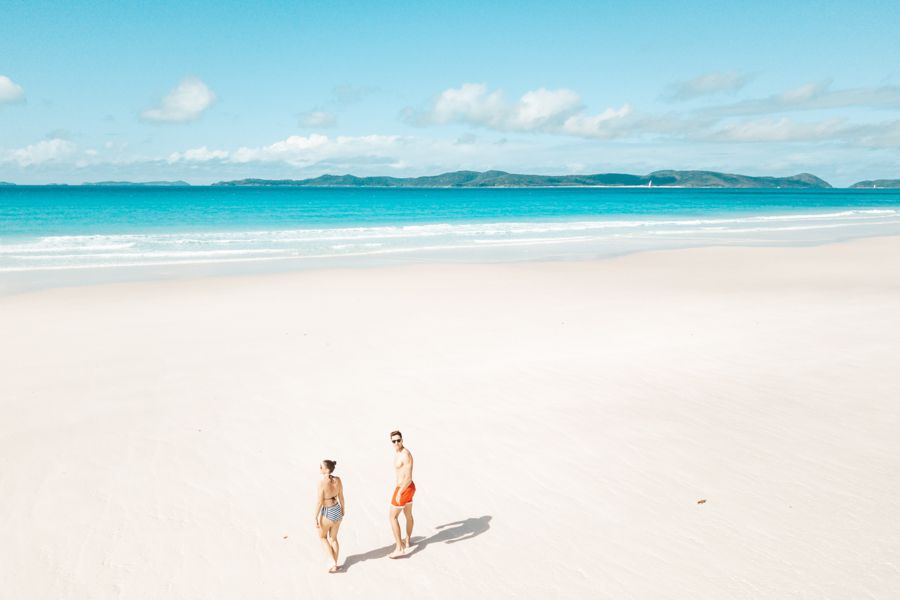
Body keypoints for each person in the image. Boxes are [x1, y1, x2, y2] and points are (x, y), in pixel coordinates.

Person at [388, 430, 415, 558]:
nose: (397, 443)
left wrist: (399, 492)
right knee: (408, 514)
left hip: (404, 488)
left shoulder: (405, 455)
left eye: (399, 440)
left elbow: (408, 477)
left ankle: (399, 547)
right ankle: (408, 540)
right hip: (408, 488)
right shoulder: (398, 453)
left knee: (392, 517)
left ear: (402, 440)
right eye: (394, 441)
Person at [314, 459, 344, 573]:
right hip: (337, 509)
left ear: (327, 469)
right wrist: (343, 509)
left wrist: (315, 517)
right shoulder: (338, 480)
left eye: (321, 467)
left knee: (322, 537)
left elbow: (319, 502)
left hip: (328, 512)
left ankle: (331, 561)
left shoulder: (321, 483)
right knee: (334, 539)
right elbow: (341, 497)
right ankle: (334, 565)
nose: (319, 469)